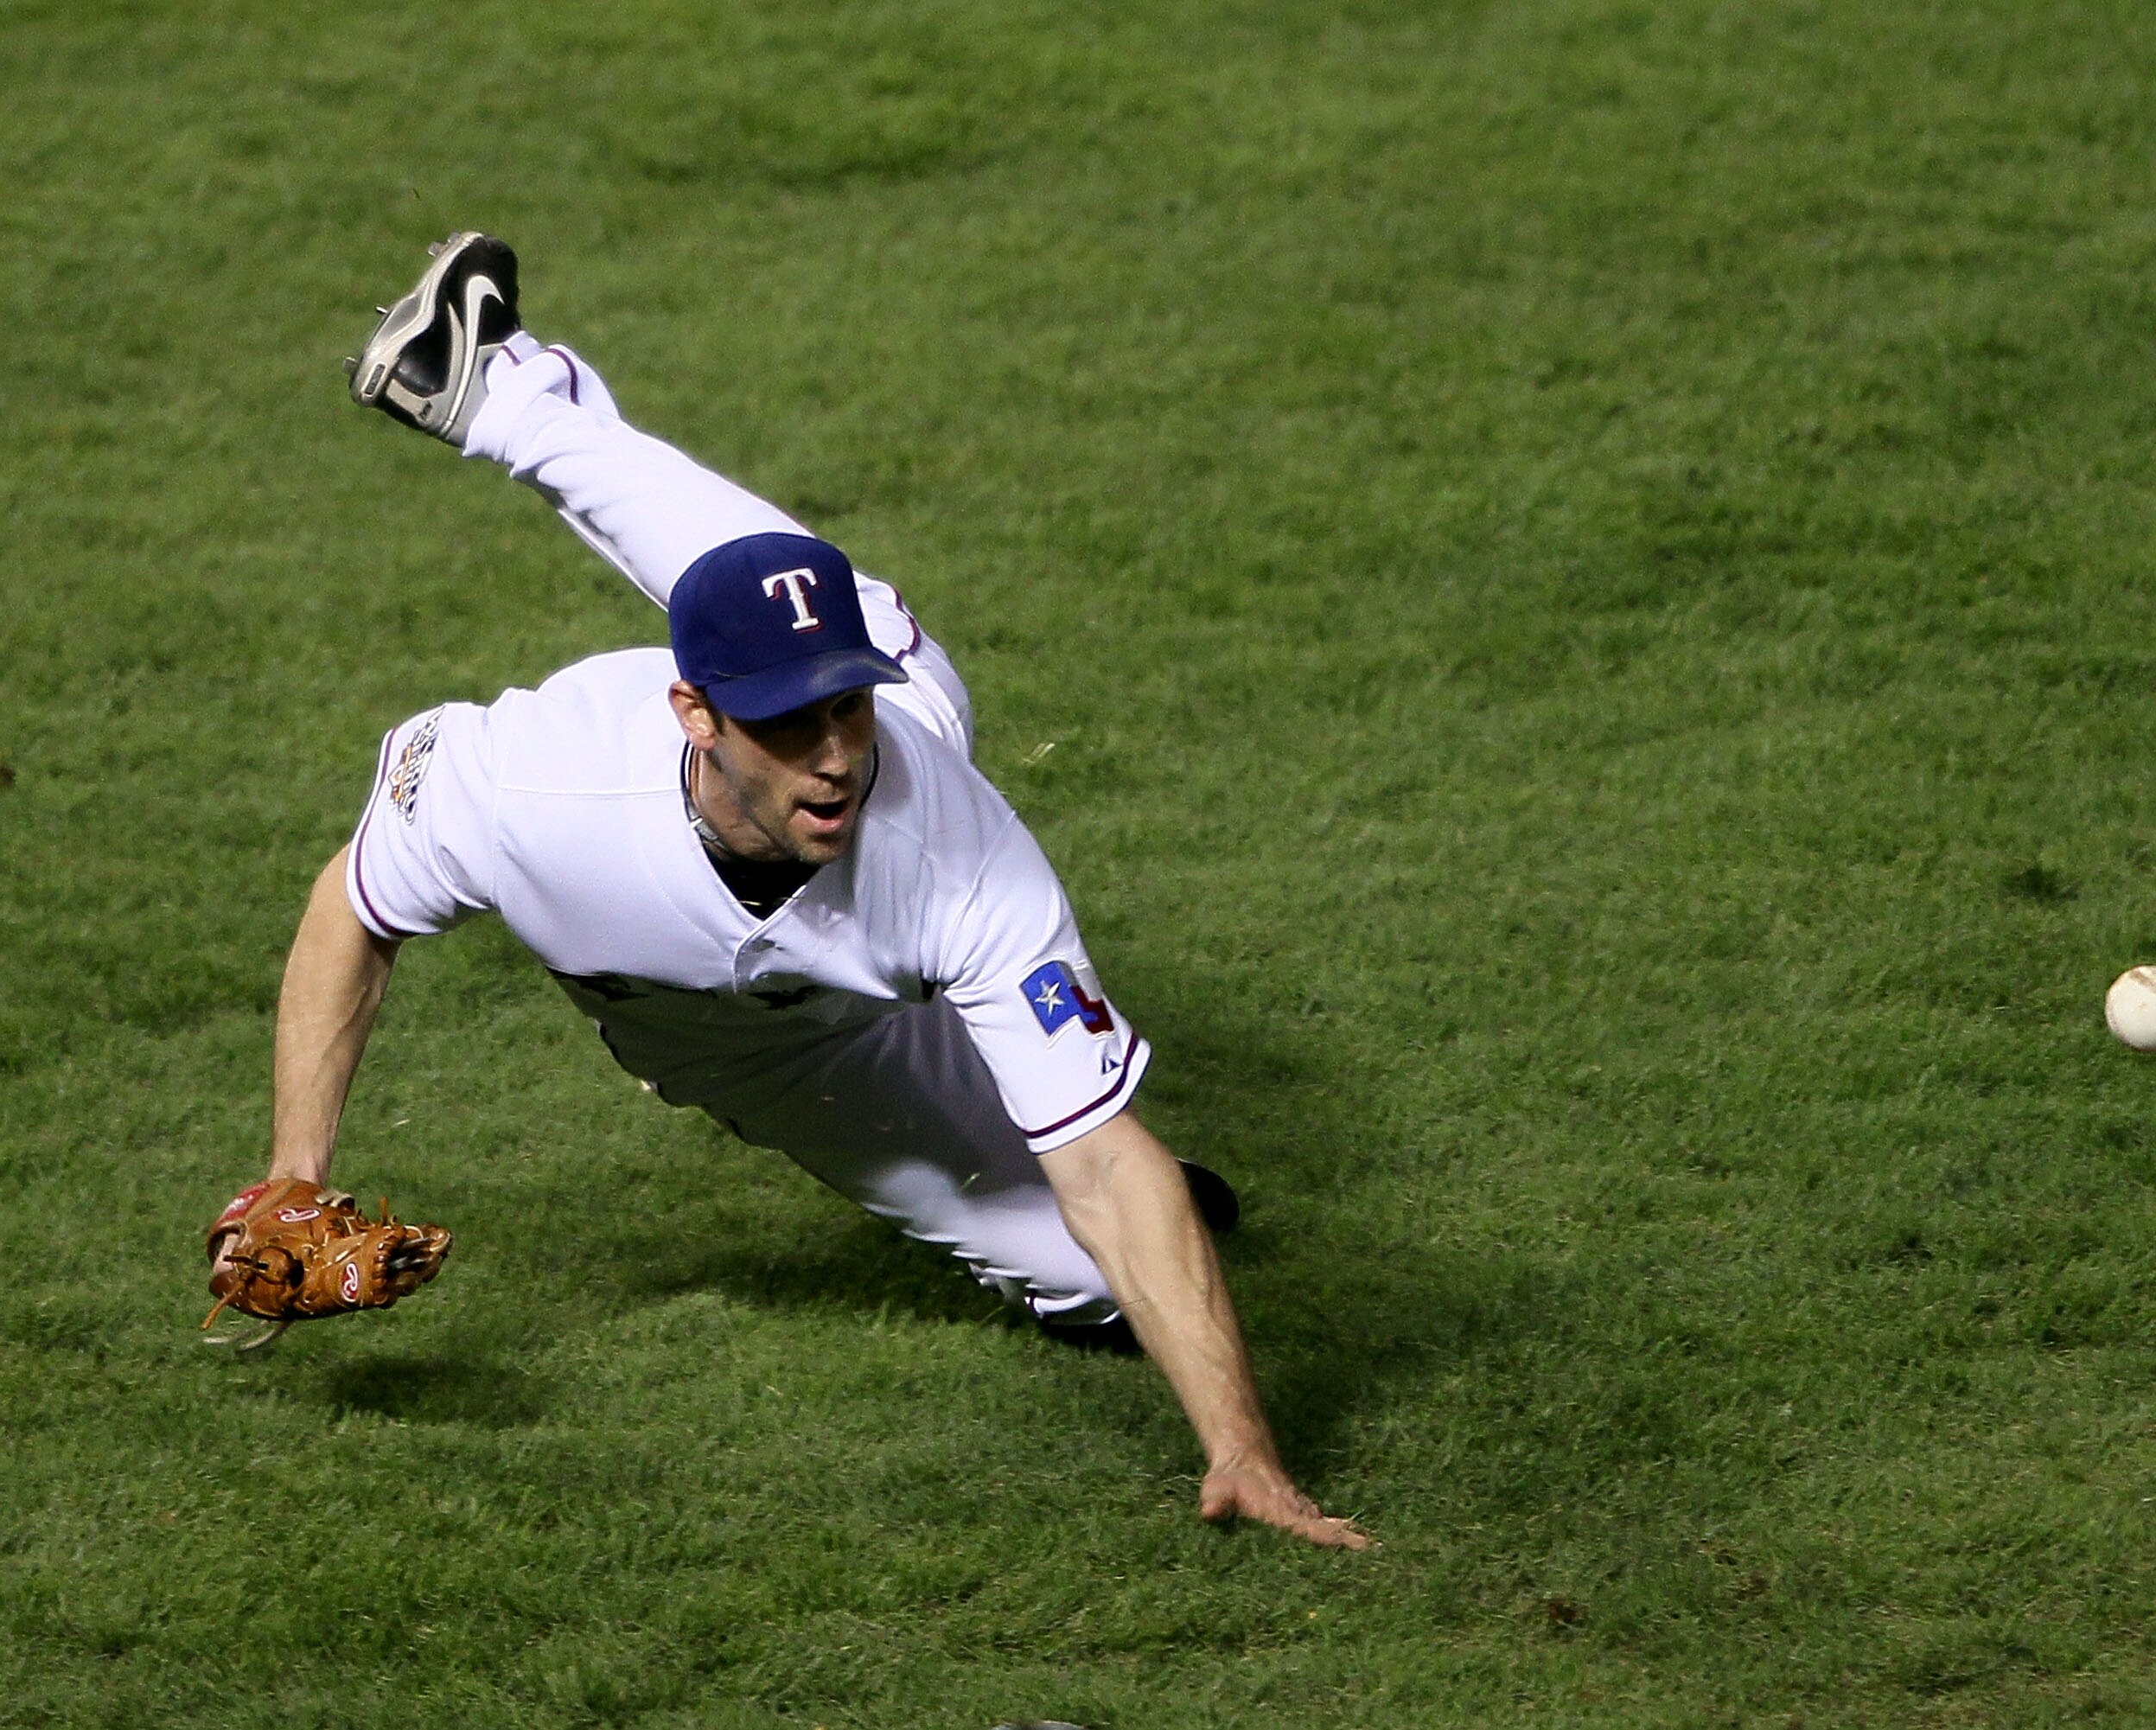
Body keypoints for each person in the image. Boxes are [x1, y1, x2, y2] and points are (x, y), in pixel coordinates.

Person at [221, 233, 1366, 1550]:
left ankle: (495, 389)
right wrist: (291, 1175)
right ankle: (511, 401)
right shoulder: (537, 787)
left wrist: (1245, 1451)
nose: (834, 755)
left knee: (1094, 1258)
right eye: (786, 721)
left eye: (842, 706)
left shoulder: (948, 832)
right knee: (733, 595)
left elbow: (1107, 1165)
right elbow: (355, 904)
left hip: (871, 944)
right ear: (694, 713)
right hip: (725, 1039)